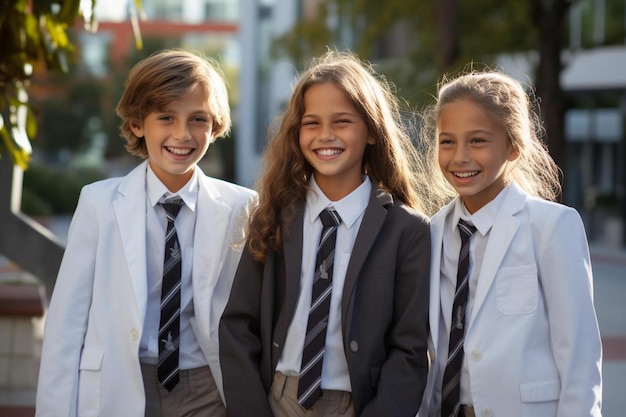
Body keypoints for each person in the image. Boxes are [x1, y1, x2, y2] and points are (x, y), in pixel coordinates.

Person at [35, 49, 257, 417]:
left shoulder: (242, 207)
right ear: (139, 123)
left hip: (206, 388)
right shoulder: (99, 204)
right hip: (119, 383)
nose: (182, 134)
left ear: (215, 125)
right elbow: (66, 325)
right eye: (166, 117)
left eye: (197, 119)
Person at [219, 50, 431, 417]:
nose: (326, 135)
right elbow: (238, 327)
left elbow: (409, 349)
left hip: (355, 403)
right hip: (278, 398)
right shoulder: (273, 217)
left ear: (371, 132)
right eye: (311, 123)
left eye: (343, 121)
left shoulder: (407, 230)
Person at [417, 69, 602, 417]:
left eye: (478, 141)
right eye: (447, 141)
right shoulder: (432, 231)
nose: (460, 156)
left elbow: (579, 356)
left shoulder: (552, 227)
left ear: (514, 146)